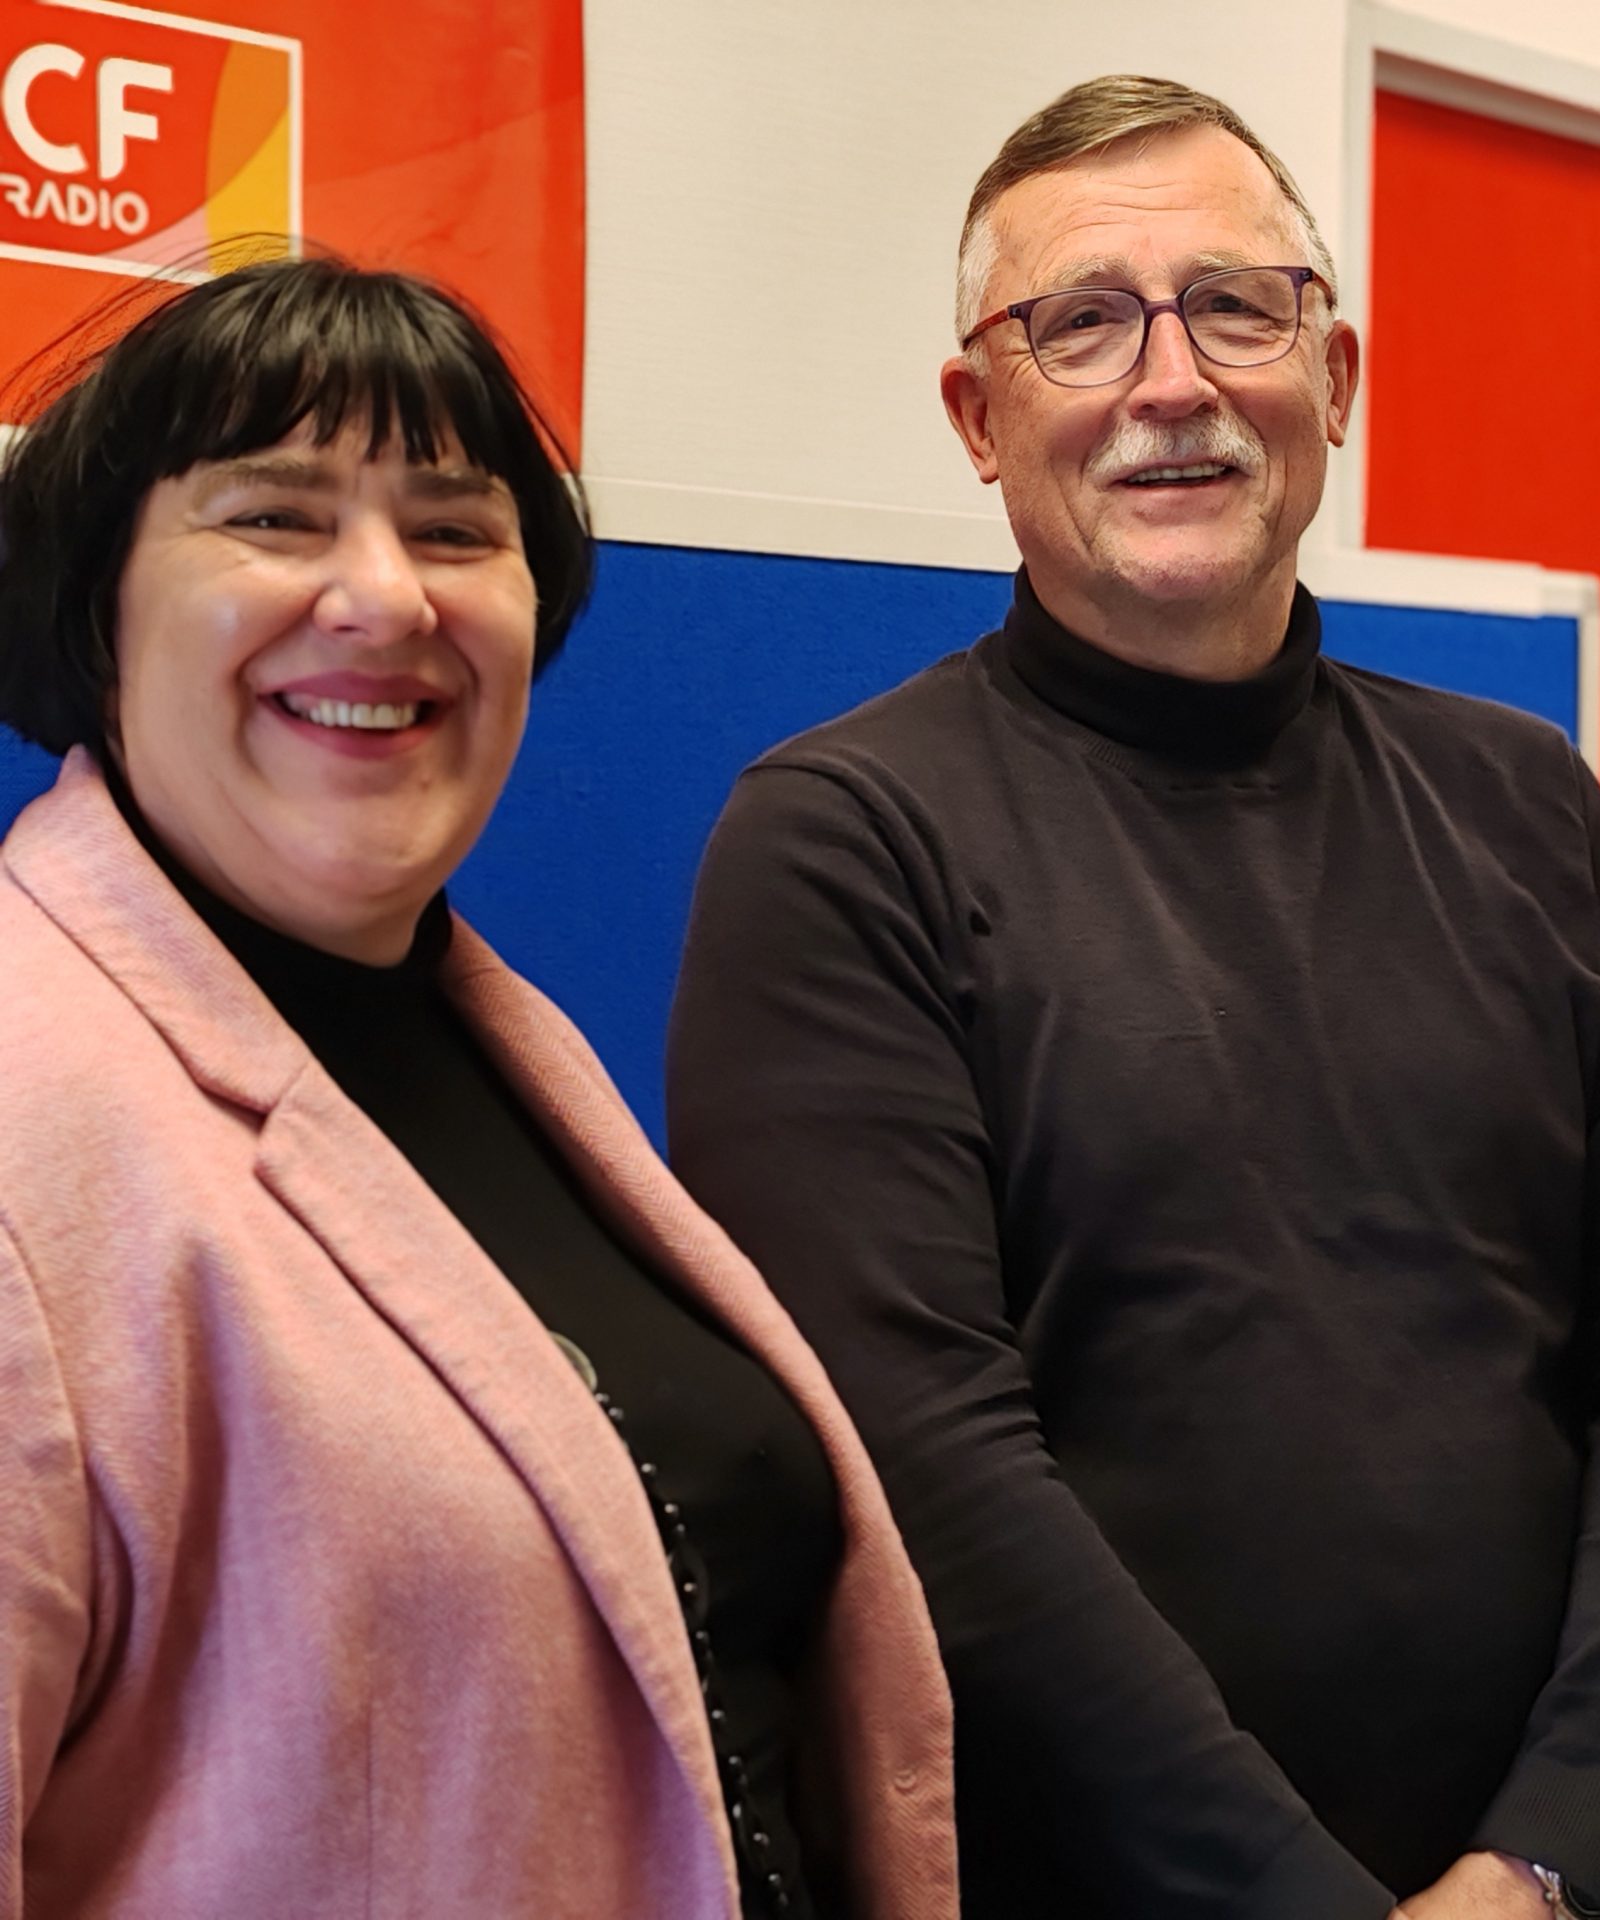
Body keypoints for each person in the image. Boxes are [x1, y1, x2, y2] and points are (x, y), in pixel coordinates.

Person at [667, 75, 1600, 1920]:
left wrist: (1554, 1851)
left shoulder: (1523, 801)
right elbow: (924, 1463)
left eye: (1234, 307)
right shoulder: (843, 845)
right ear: (979, 415)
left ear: (1334, 377)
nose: (1172, 381)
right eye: (1083, 324)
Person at [0, 259, 956, 1919]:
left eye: (454, 530)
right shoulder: (33, 1116)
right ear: (98, 608)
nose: (387, 598)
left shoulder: (491, 1047)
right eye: (276, 518)